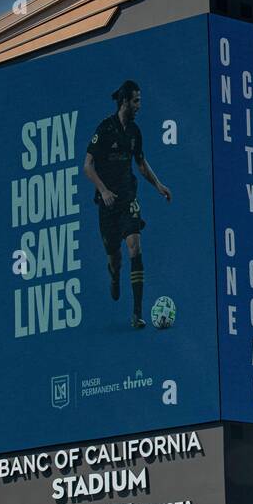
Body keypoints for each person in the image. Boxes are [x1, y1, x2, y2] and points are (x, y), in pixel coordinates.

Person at [83, 80, 171, 328]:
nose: (139, 105)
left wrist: (159, 185)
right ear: (124, 102)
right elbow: (87, 166)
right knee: (116, 258)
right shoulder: (105, 129)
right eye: (136, 101)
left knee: (135, 247)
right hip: (107, 204)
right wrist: (103, 190)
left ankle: (137, 314)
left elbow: (141, 164)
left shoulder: (135, 132)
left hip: (128, 199)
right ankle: (114, 274)